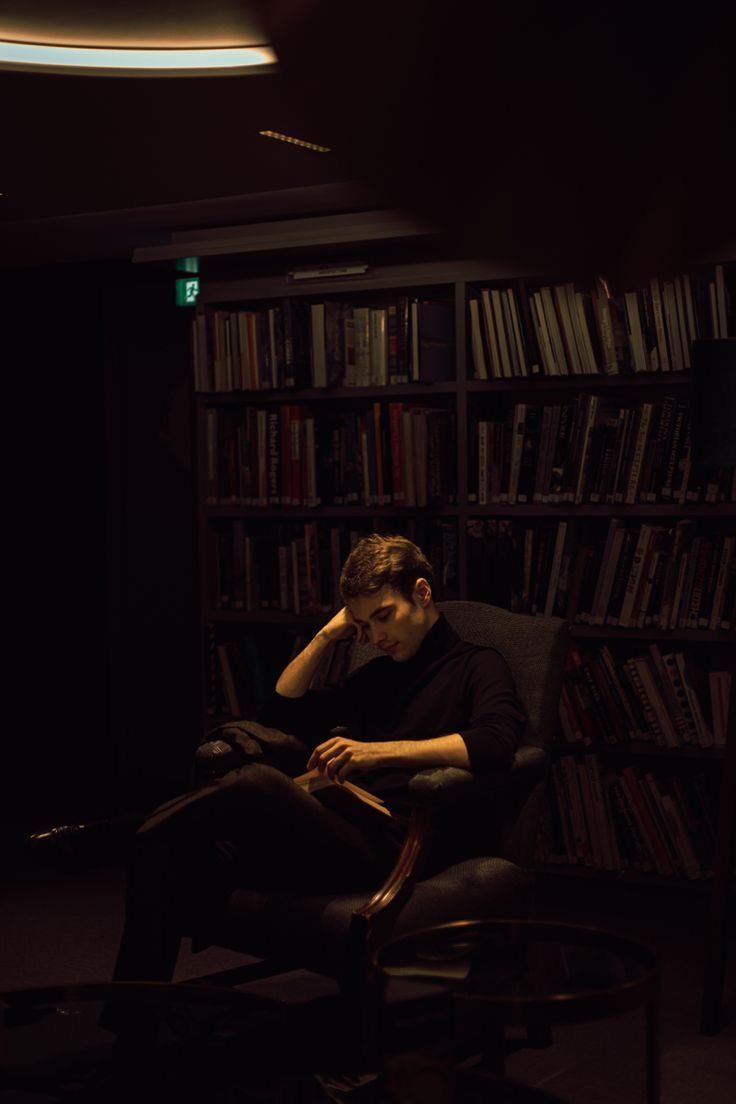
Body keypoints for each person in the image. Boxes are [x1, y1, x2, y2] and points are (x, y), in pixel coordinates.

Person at [102, 533, 527, 1036]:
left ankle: (120, 834)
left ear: (422, 593)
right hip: (342, 830)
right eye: (364, 626)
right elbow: (281, 711)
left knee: (259, 783)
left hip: (399, 841)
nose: (376, 635)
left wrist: (375, 753)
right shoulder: (380, 675)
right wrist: (328, 636)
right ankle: (129, 1035)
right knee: (171, 855)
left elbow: (496, 742)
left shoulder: (478, 665)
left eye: (383, 616)